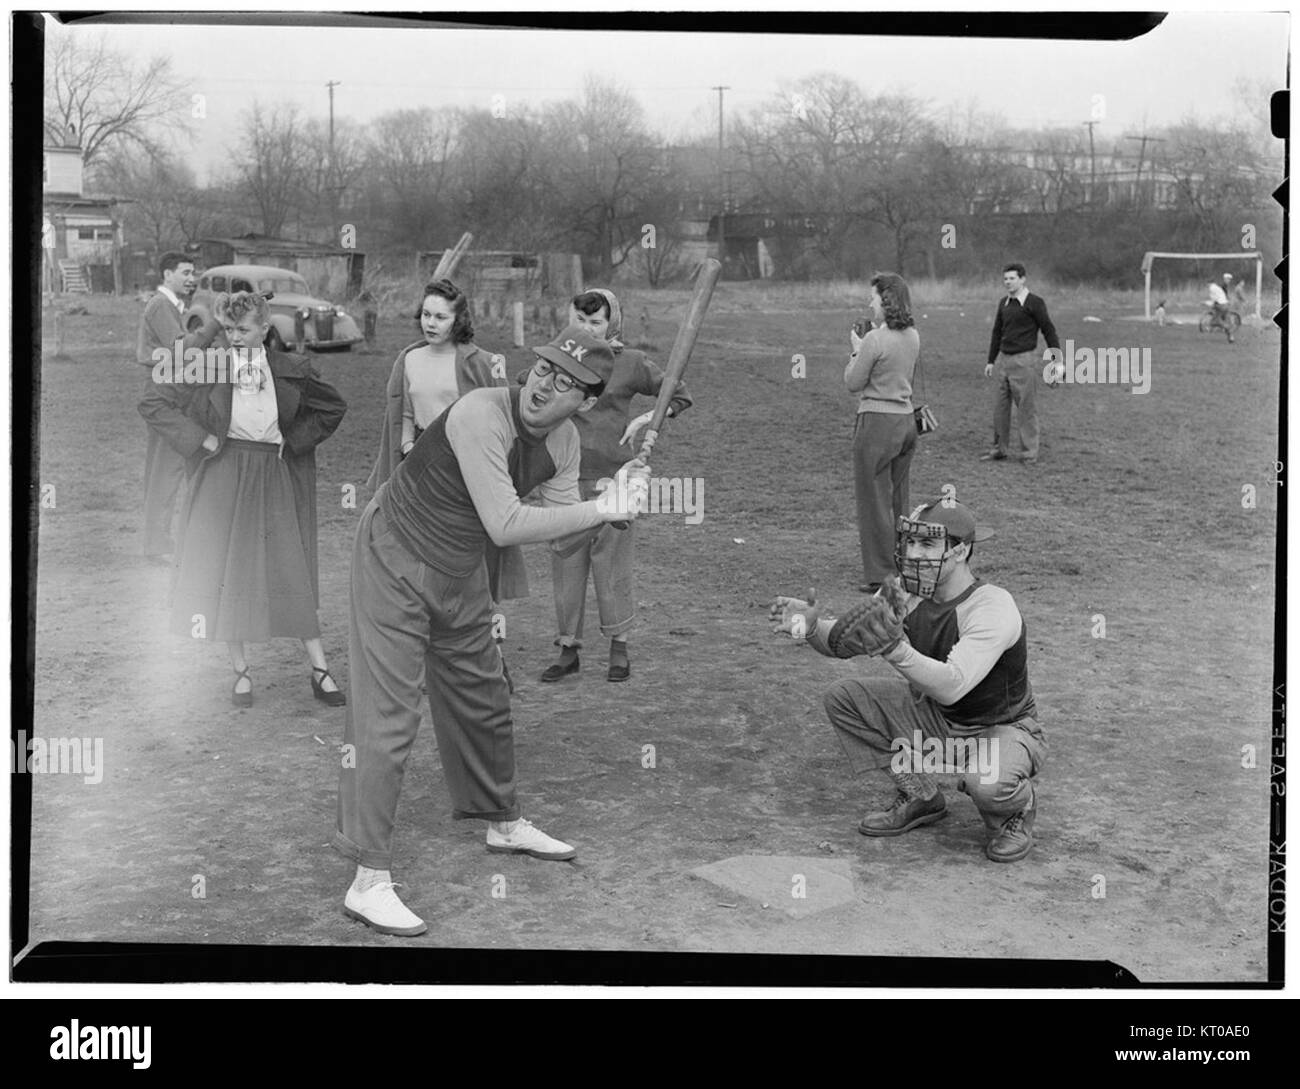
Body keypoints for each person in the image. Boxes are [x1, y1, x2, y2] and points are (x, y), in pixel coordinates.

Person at [333, 326, 652, 936]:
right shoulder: (482, 411)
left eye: (567, 384)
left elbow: (560, 536)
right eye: (544, 370)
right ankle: (368, 880)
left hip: (459, 569)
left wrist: (614, 500)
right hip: (393, 555)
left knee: (484, 696)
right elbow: (506, 524)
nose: (545, 387)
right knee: (389, 717)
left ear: (586, 403)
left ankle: (501, 820)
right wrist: (601, 507)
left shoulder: (564, 445)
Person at [770, 498, 1045, 863]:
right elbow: (843, 641)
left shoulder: (991, 606)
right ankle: (921, 795)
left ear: (960, 551)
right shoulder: (905, 590)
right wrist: (808, 627)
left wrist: (895, 649)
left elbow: (953, 684)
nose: (914, 553)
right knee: (845, 698)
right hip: (937, 719)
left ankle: (1015, 813)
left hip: (1002, 727)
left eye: (928, 544)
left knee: (988, 784)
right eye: (910, 542)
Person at [139, 291, 348, 708]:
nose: (235, 337)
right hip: (224, 472)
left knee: (291, 567)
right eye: (229, 328)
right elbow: (152, 401)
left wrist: (294, 441)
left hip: (273, 473)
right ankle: (241, 672)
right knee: (231, 571)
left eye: (244, 329)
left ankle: (320, 669)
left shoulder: (291, 368)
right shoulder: (208, 366)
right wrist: (202, 439)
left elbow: (333, 407)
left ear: (265, 329)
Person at [367, 278, 527, 688]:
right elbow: (402, 411)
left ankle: (493, 657)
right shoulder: (409, 359)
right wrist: (407, 449)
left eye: (441, 316)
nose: (431, 323)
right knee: (422, 556)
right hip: (422, 464)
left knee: (470, 562)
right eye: (426, 314)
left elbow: (500, 417)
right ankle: (429, 655)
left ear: (459, 320)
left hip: (465, 467)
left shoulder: (479, 361)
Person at [539, 288, 693, 684]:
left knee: (613, 567)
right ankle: (567, 649)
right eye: (580, 321)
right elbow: (527, 395)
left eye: (596, 322)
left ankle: (619, 649)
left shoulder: (630, 363)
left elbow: (677, 391)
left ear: (612, 325)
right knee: (566, 565)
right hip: (564, 481)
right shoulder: (555, 362)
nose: (587, 329)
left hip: (615, 482)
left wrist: (651, 420)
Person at [135, 251, 223, 563]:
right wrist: (214, 325)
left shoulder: (173, 306)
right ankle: (157, 545)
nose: (191, 279)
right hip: (163, 394)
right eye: (185, 273)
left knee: (173, 467)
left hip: (174, 388)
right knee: (164, 471)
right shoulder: (161, 305)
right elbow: (181, 350)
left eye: (193, 273)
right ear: (167, 274)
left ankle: (170, 542)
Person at [845, 272, 919, 594]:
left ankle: (881, 574)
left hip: (876, 423)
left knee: (874, 501)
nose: (870, 302)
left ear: (885, 300)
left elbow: (853, 382)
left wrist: (856, 350)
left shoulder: (875, 339)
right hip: (905, 423)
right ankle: (905, 564)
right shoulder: (913, 335)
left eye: (873, 297)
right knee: (898, 498)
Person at [981, 263, 1060, 465]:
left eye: (1012, 278)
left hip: (1024, 361)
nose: (1008, 282)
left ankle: (1029, 453)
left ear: (1023, 279)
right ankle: (999, 449)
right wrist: (991, 360)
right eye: (1005, 279)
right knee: (1000, 409)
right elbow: (997, 332)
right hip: (1004, 362)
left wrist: (1057, 360)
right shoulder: (1003, 304)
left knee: (1026, 409)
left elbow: (1048, 330)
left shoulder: (1035, 303)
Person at [1207, 279, 1235, 344]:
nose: (1207, 286)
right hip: (1226, 305)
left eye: (1207, 284)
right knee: (1225, 321)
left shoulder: (1212, 288)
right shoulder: (1218, 287)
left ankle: (1214, 325)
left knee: (1216, 322)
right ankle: (1231, 336)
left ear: (1209, 283)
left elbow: (1214, 299)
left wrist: (1208, 303)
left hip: (1220, 306)